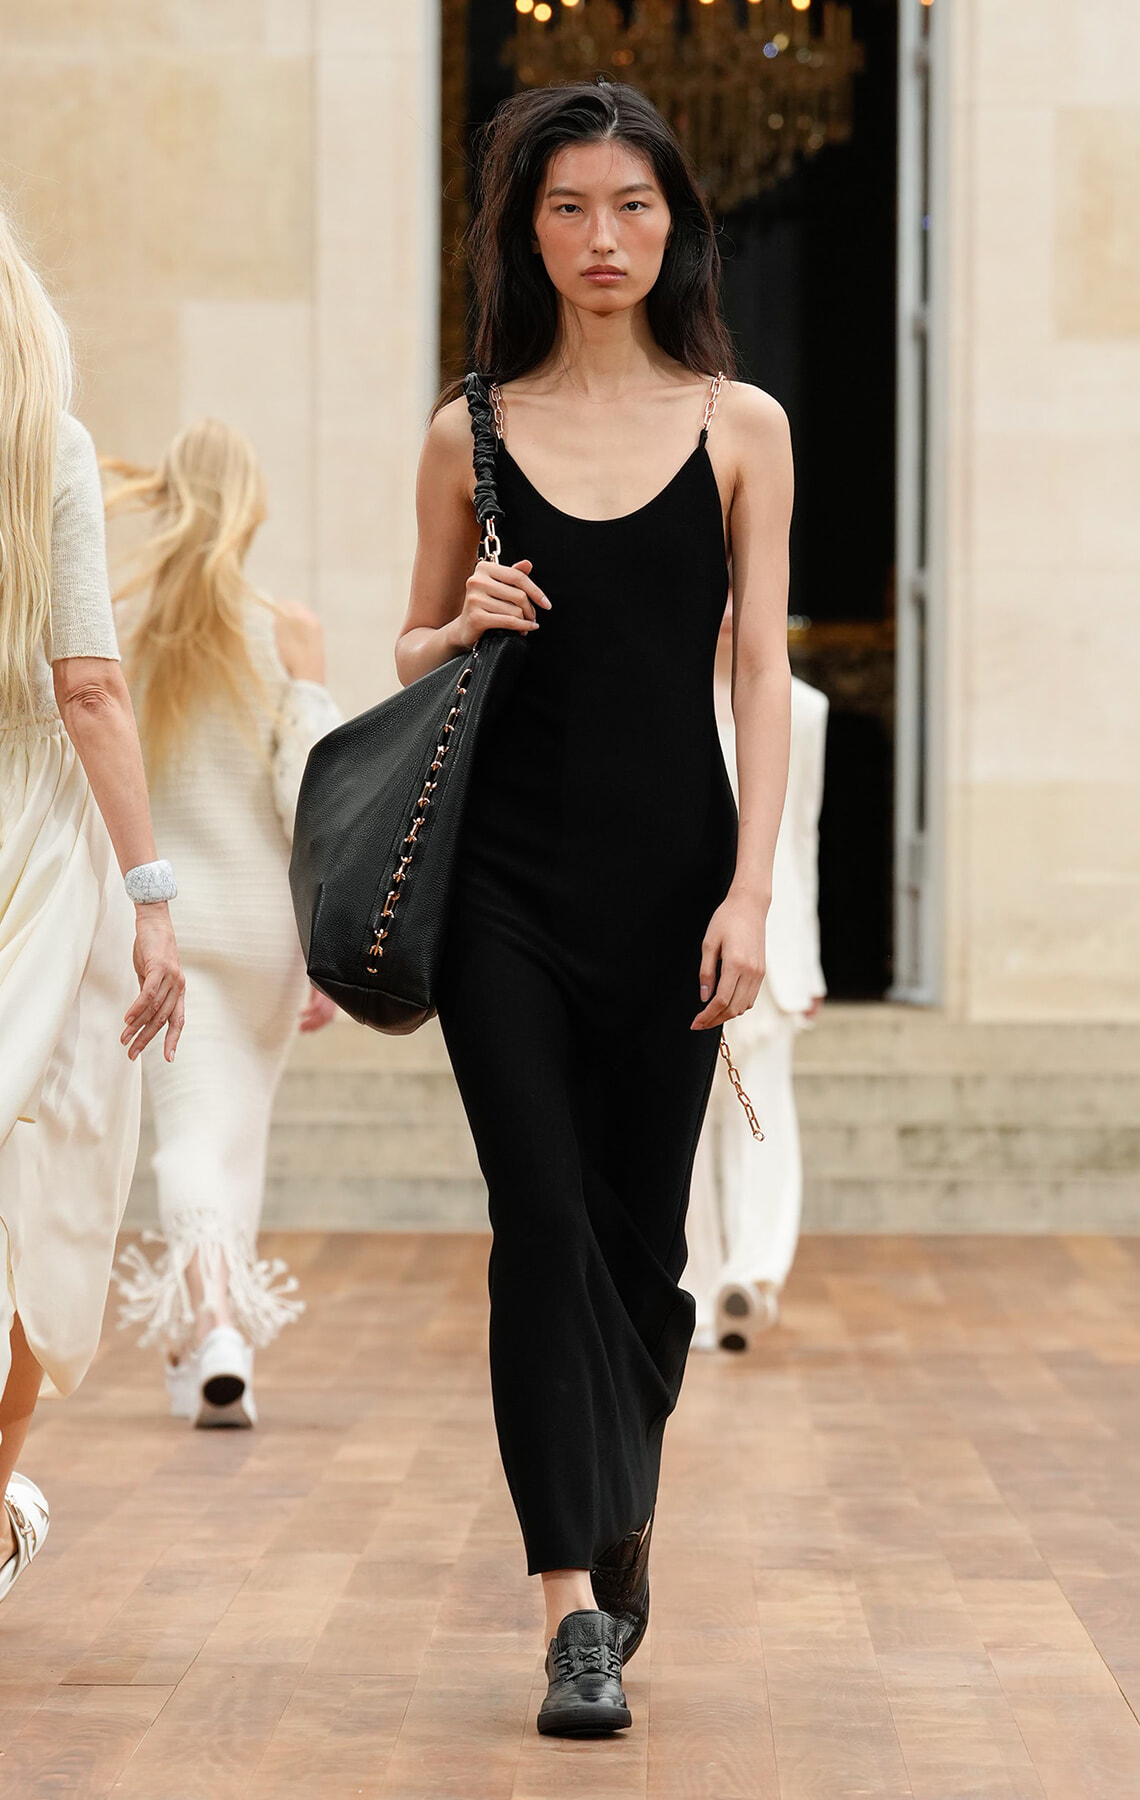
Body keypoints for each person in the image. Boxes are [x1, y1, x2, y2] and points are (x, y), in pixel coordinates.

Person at [395, 79, 792, 1736]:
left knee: (641, 1262)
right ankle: (569, 1601)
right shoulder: (466, 430)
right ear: (526, 233)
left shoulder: (741, 425)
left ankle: (622, 1517)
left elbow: (758, 672)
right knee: (541, 1224)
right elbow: (404, 658)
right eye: (568, 208)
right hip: (503, 888)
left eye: (631, 205)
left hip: (675, 885)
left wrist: (755, 892)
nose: (603, 237)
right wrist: (462, 617)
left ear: (673, 221)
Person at [0, 204, 185, 1602]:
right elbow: (89, 686)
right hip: (38, 843)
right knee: (50, 1169)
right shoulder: (46, 448)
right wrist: (152, 893)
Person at [105, 421, 341, 1428]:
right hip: (267, 937)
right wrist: (327, 943)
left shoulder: (121, 626)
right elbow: (316, 795)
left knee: (191, 1136)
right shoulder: (286, 627)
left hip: (166, 923)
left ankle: (211, 1328)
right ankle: (210, 1341)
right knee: (234, 1135)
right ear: (251, 503)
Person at [685, 598, 827, 1353]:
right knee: (687, 1128)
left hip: (771, 948)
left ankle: (754, 1273)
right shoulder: (668, 701)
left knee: (762, 1109)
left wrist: (804, 958)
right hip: (681, 942)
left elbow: (798, 838)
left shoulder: (804, 712)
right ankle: (699, 1290)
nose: (730, 612)